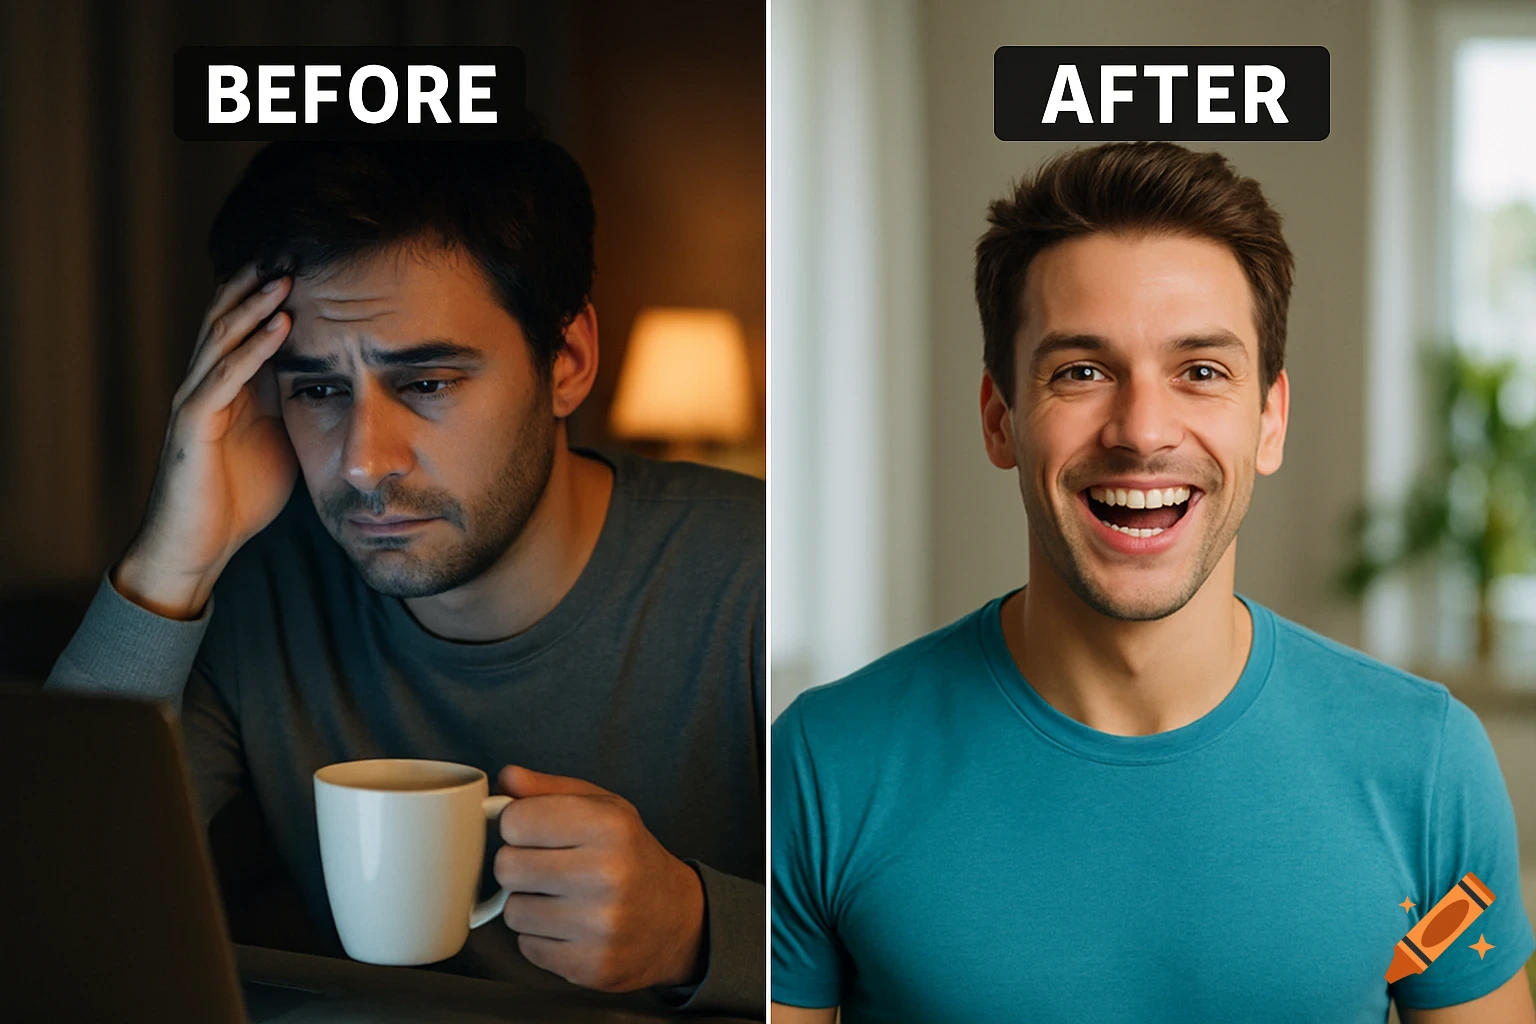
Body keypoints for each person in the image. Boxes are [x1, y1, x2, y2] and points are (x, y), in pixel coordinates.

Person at [771, 142, 1535, 1022]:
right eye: (1081, 372)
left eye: (1201, 372)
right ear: (999, 420)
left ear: (1270, 421)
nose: (1142, 430)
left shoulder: (1427, 766)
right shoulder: (825, 767)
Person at [47, 138, 763, 1016]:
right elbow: (44, 903)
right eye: (315, 391)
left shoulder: (767, 575)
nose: (361, 463)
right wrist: (174, 553)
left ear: (567, 359)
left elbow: (931, 949)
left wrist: (701, 932)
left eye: (425, 379)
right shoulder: (256, 585)